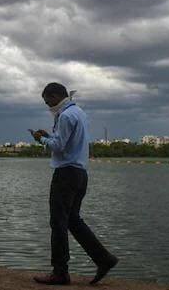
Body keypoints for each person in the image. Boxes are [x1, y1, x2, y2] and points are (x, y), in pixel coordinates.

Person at [29, 82, 118, 285]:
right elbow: (68, 142)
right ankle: (104, 259)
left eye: (47, 101)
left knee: (58, 223)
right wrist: (49, 136)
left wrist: (40, 140)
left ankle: (60, 272)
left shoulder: (65, 116)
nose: (47, 105)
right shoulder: (79, 113)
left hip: (66, 174)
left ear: (55, 96)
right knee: (72, 220)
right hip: (80, 173)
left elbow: (59, 147)